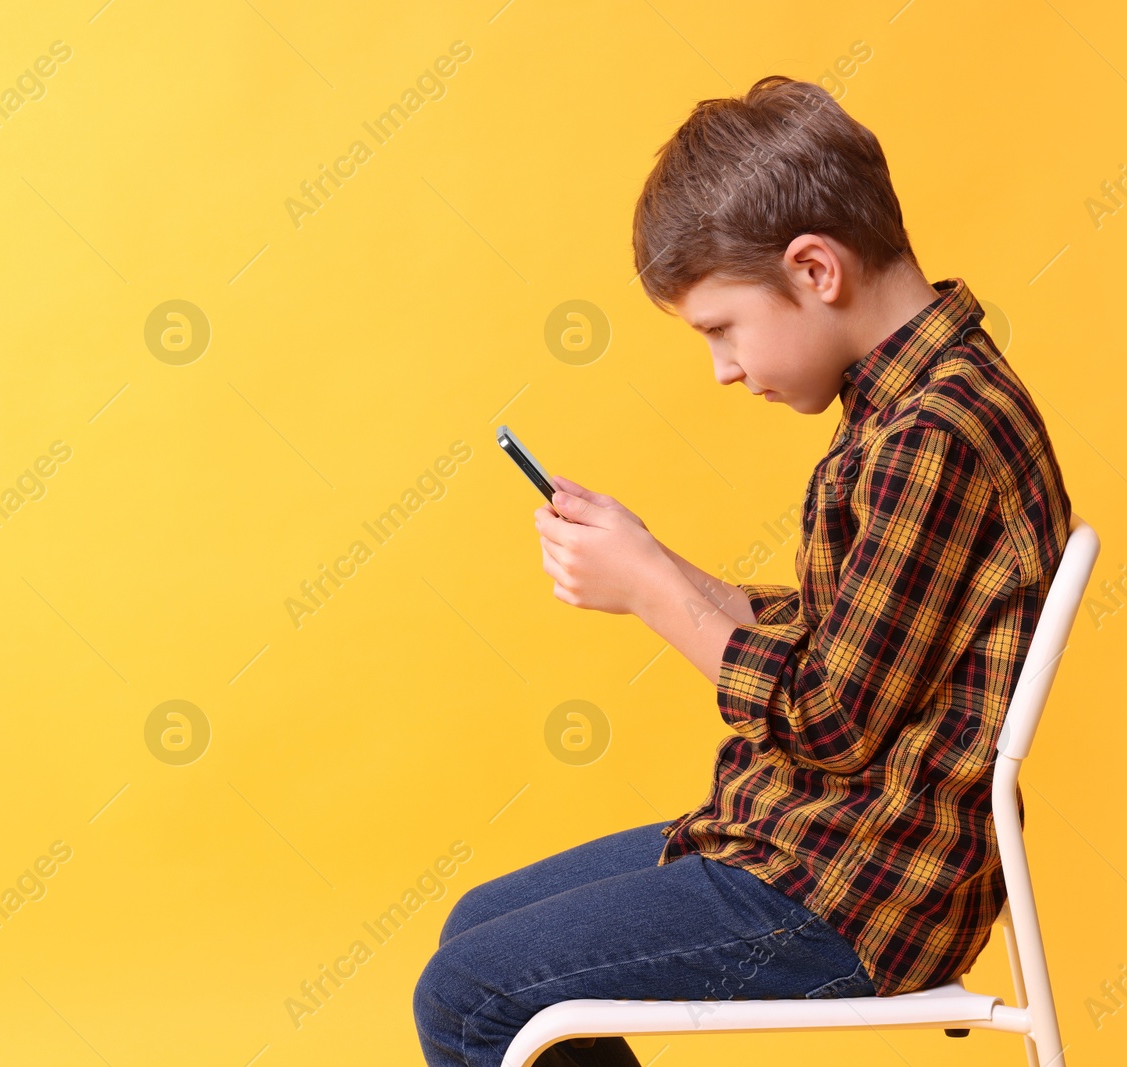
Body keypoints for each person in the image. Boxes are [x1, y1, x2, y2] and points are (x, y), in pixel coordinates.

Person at [414, 74, 1073, 1067]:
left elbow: (833, 715)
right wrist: (651, 555)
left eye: (720, 328)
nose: (722, 368)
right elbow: (846, 637)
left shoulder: (928, 438)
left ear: (815, 270)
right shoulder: (923, 399)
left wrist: (648, 590)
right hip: (812, 837)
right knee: (478, 926)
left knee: (471, 996)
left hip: (858, 888)